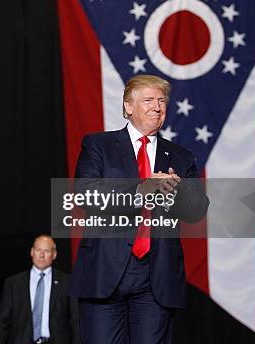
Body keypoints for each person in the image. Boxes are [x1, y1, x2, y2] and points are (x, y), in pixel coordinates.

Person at [70, 74, 209, 344]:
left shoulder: (181, 156)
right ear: (128, 107)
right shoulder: (99, 145)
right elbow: (86, 194)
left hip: (156, 277)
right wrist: (140, 189)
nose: (157, 107)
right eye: (148, 100)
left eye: (161, 101)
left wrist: (177, 192)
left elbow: (196, 211)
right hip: (105, 272)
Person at [0, 235, 80, 344]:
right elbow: (2, 322)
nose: (42, 255)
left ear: (54, 255)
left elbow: (75, 321)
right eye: (38, 250)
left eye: (47, 251)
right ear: (32, 252)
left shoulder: (67, 282)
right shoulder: (13, 284)